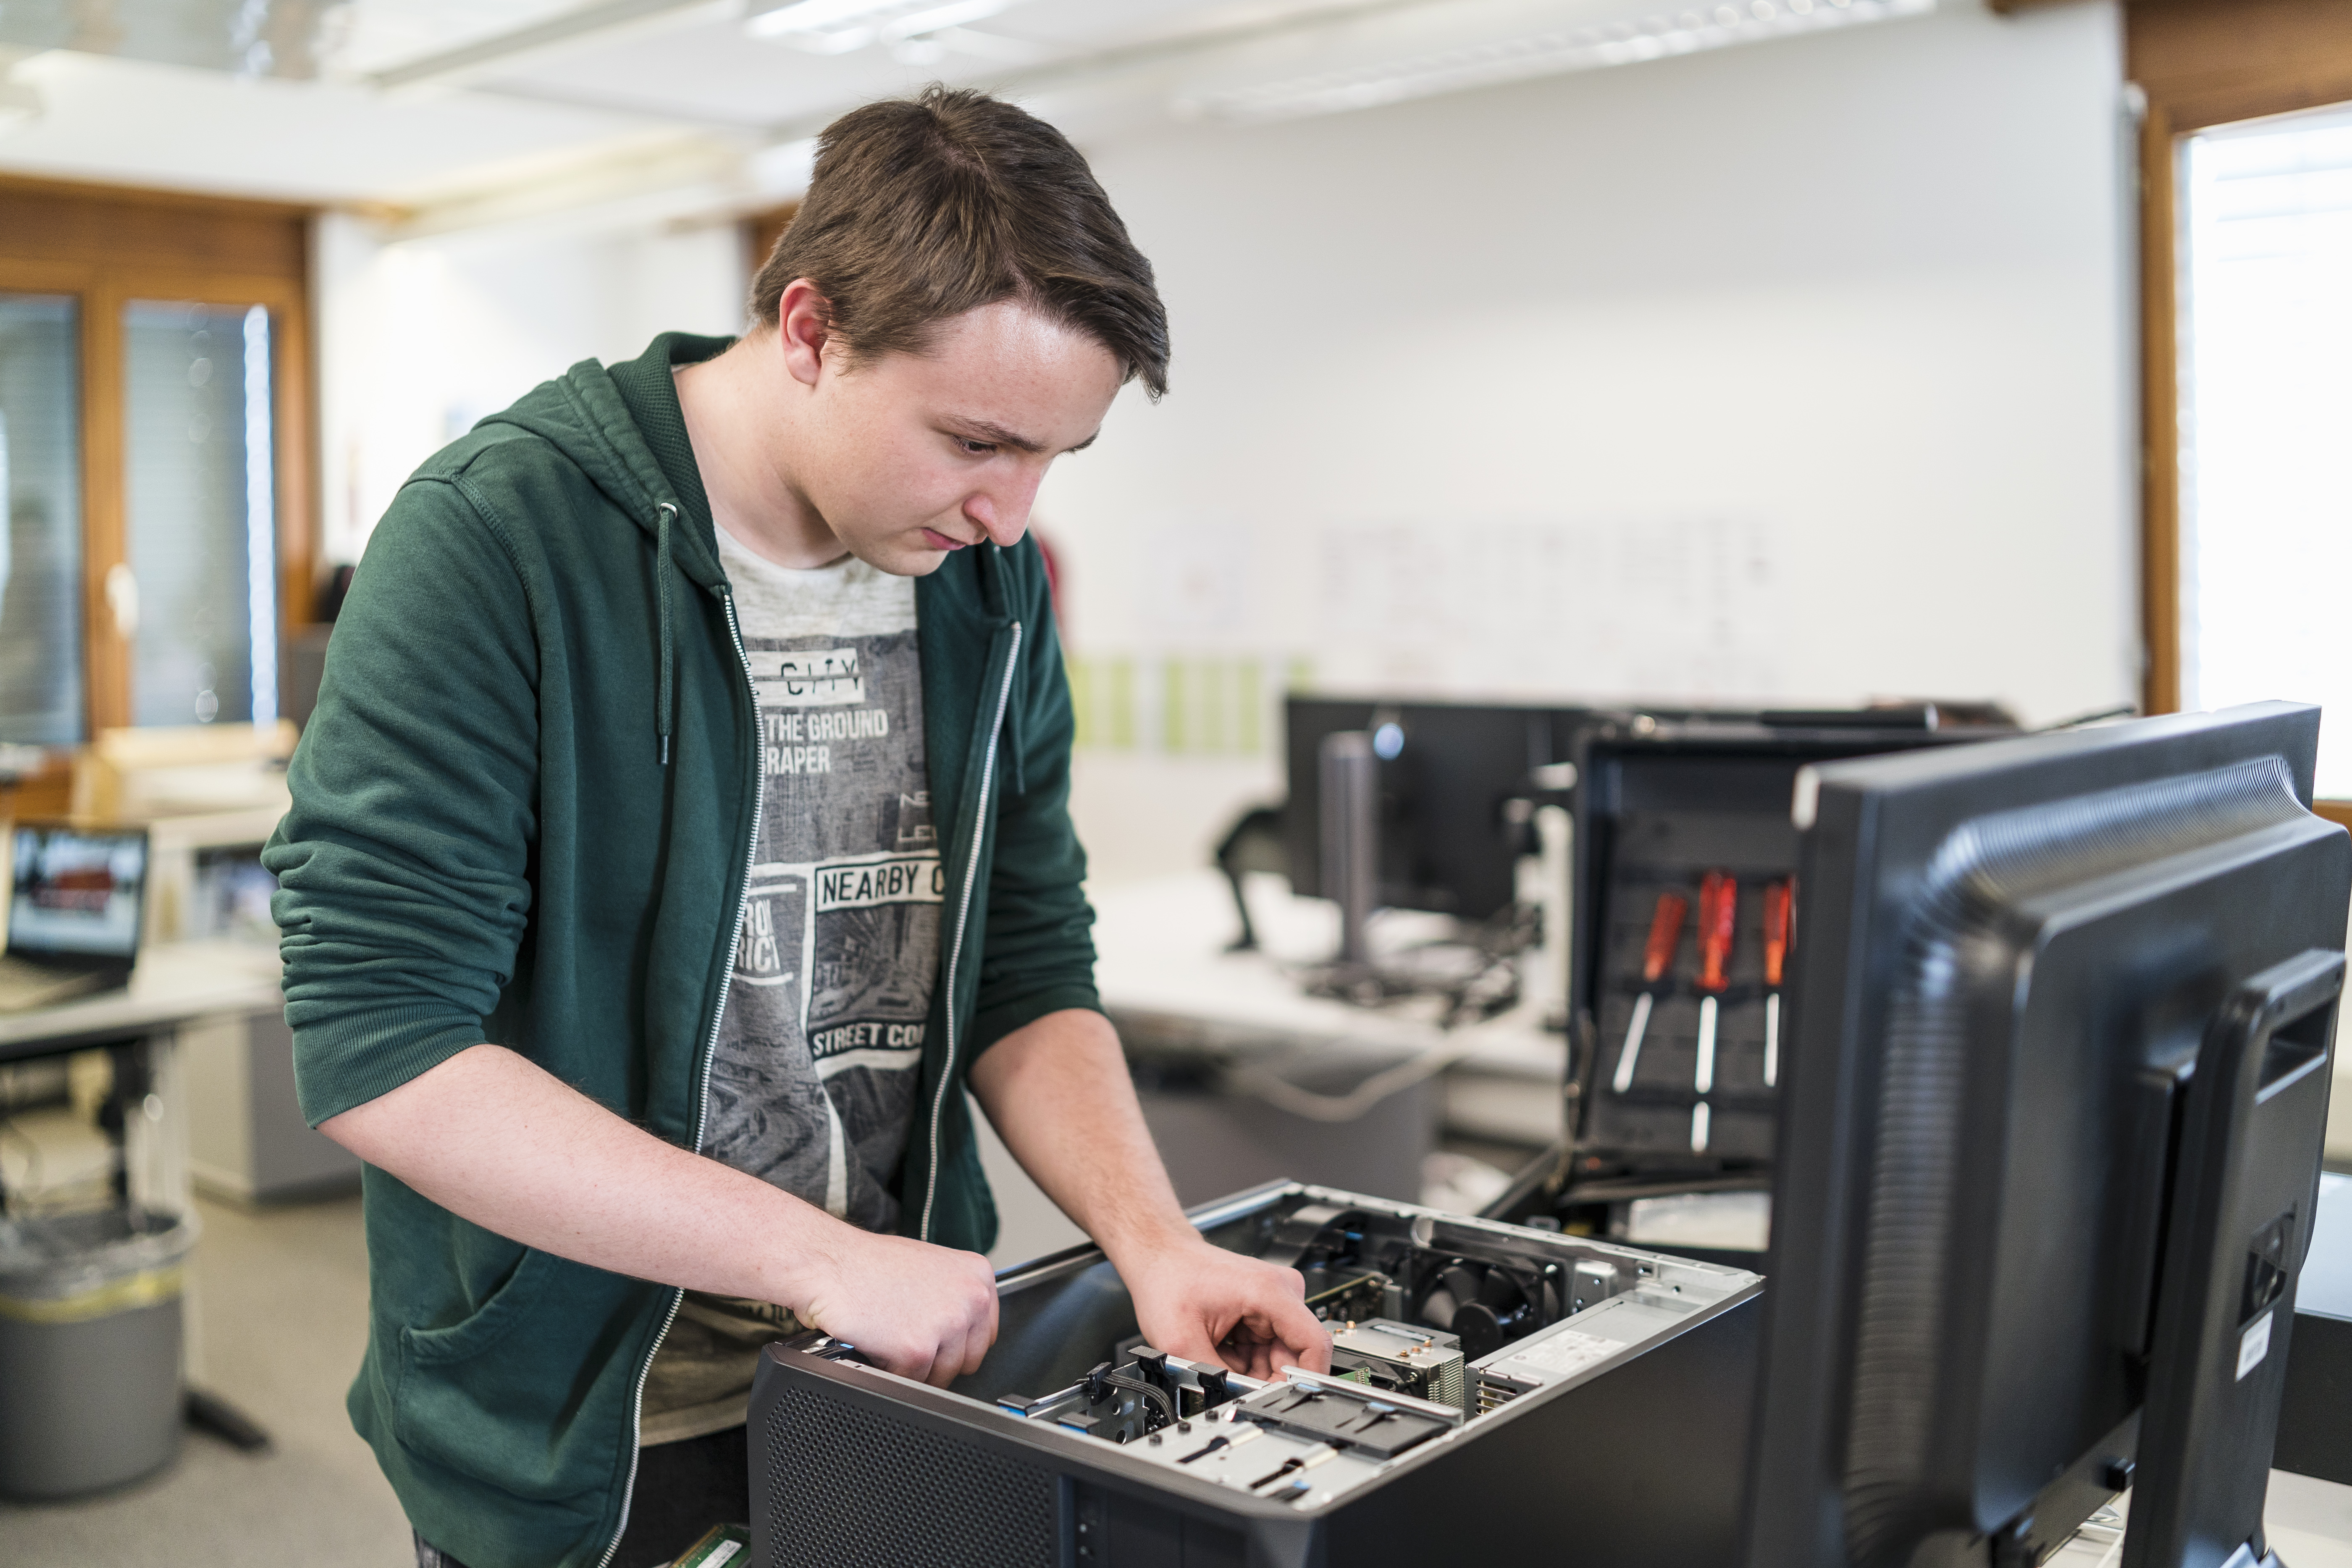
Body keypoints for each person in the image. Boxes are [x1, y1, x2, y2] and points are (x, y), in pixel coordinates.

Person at [265, 86, 1330, 1568]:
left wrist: (1155, 1242)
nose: (1011, 515)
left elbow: (1024, 957)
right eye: (975, 440)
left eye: (1052, 460)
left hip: (891, 1369)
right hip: (587, 1418)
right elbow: (383, 1044)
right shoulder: (499, 537)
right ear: (813, 330)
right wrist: (821, 1261)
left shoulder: (983, 584)